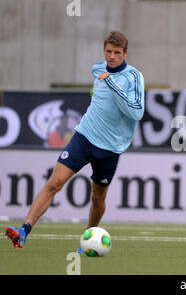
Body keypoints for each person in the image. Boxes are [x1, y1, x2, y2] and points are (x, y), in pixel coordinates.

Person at [5, 31, 145, 250]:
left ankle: (87, 240)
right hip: (84, 137)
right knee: (55, 182)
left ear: (125, 53)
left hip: (110, 148)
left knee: (97, 198)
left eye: (117, 52)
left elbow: (136, 113)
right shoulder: (97, 69)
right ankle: (23, 231)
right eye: (108, 51)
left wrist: (113, 85)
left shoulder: (133, 77)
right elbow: (98, 98)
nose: (112, 56)